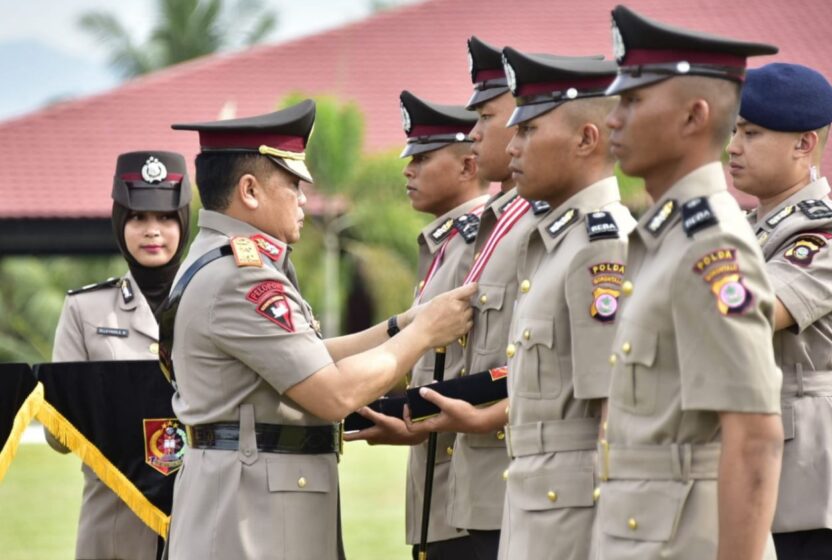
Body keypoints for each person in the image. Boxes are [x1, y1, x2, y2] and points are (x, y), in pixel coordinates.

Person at [165, 100, 474, 559]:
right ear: (249, 190)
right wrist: (423, 334)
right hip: (252, 517)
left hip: (249, 501)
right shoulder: (242, 276)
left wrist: (398, 326)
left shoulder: (221, 257)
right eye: (292, 184)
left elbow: (307, 355)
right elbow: (333, 395)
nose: (304, 199)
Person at [595, 5, 784, 560]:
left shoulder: (711, 244)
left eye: (632, 101)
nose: (613, 119)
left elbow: (754, 438)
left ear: (693, 116)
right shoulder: (664, 238)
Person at [400, 36, 550, 560]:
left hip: (515, 479)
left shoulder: (542, 226)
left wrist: (487, 416)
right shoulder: (491, 226)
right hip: (465, 477)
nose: (478, 134)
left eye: (489, 116)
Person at [496, 47, 633, 560]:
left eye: (529, 130)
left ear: (586, 138)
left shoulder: (602, 244)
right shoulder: (555, 240)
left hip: (577, 519)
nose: (512, 147)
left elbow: (613, 411)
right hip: (539, 506)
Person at [346, 90, 489, 559]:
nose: (407, 169)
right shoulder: (448, 243)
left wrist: (418, 422)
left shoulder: (477, 246)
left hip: (467, 494)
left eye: (423, 158)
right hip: (437, 492)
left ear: (469, 166)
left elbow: (488, 370)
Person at [727, 63, 832, 559]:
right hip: (747, 458)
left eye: (751, 133)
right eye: (734, 130)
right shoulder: (742, 225)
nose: (733, 146)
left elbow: (750, 314)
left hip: (804, 473)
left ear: (803, 144)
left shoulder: (827, 233)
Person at [49, 151, 192, 560]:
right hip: (116, 530)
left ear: (183, 221)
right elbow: (57, 437)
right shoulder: (85, 309)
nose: (153, 231)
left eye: (165, 218)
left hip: (202, 524)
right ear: (119, 223)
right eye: (137, 218)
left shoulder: (214, 303)